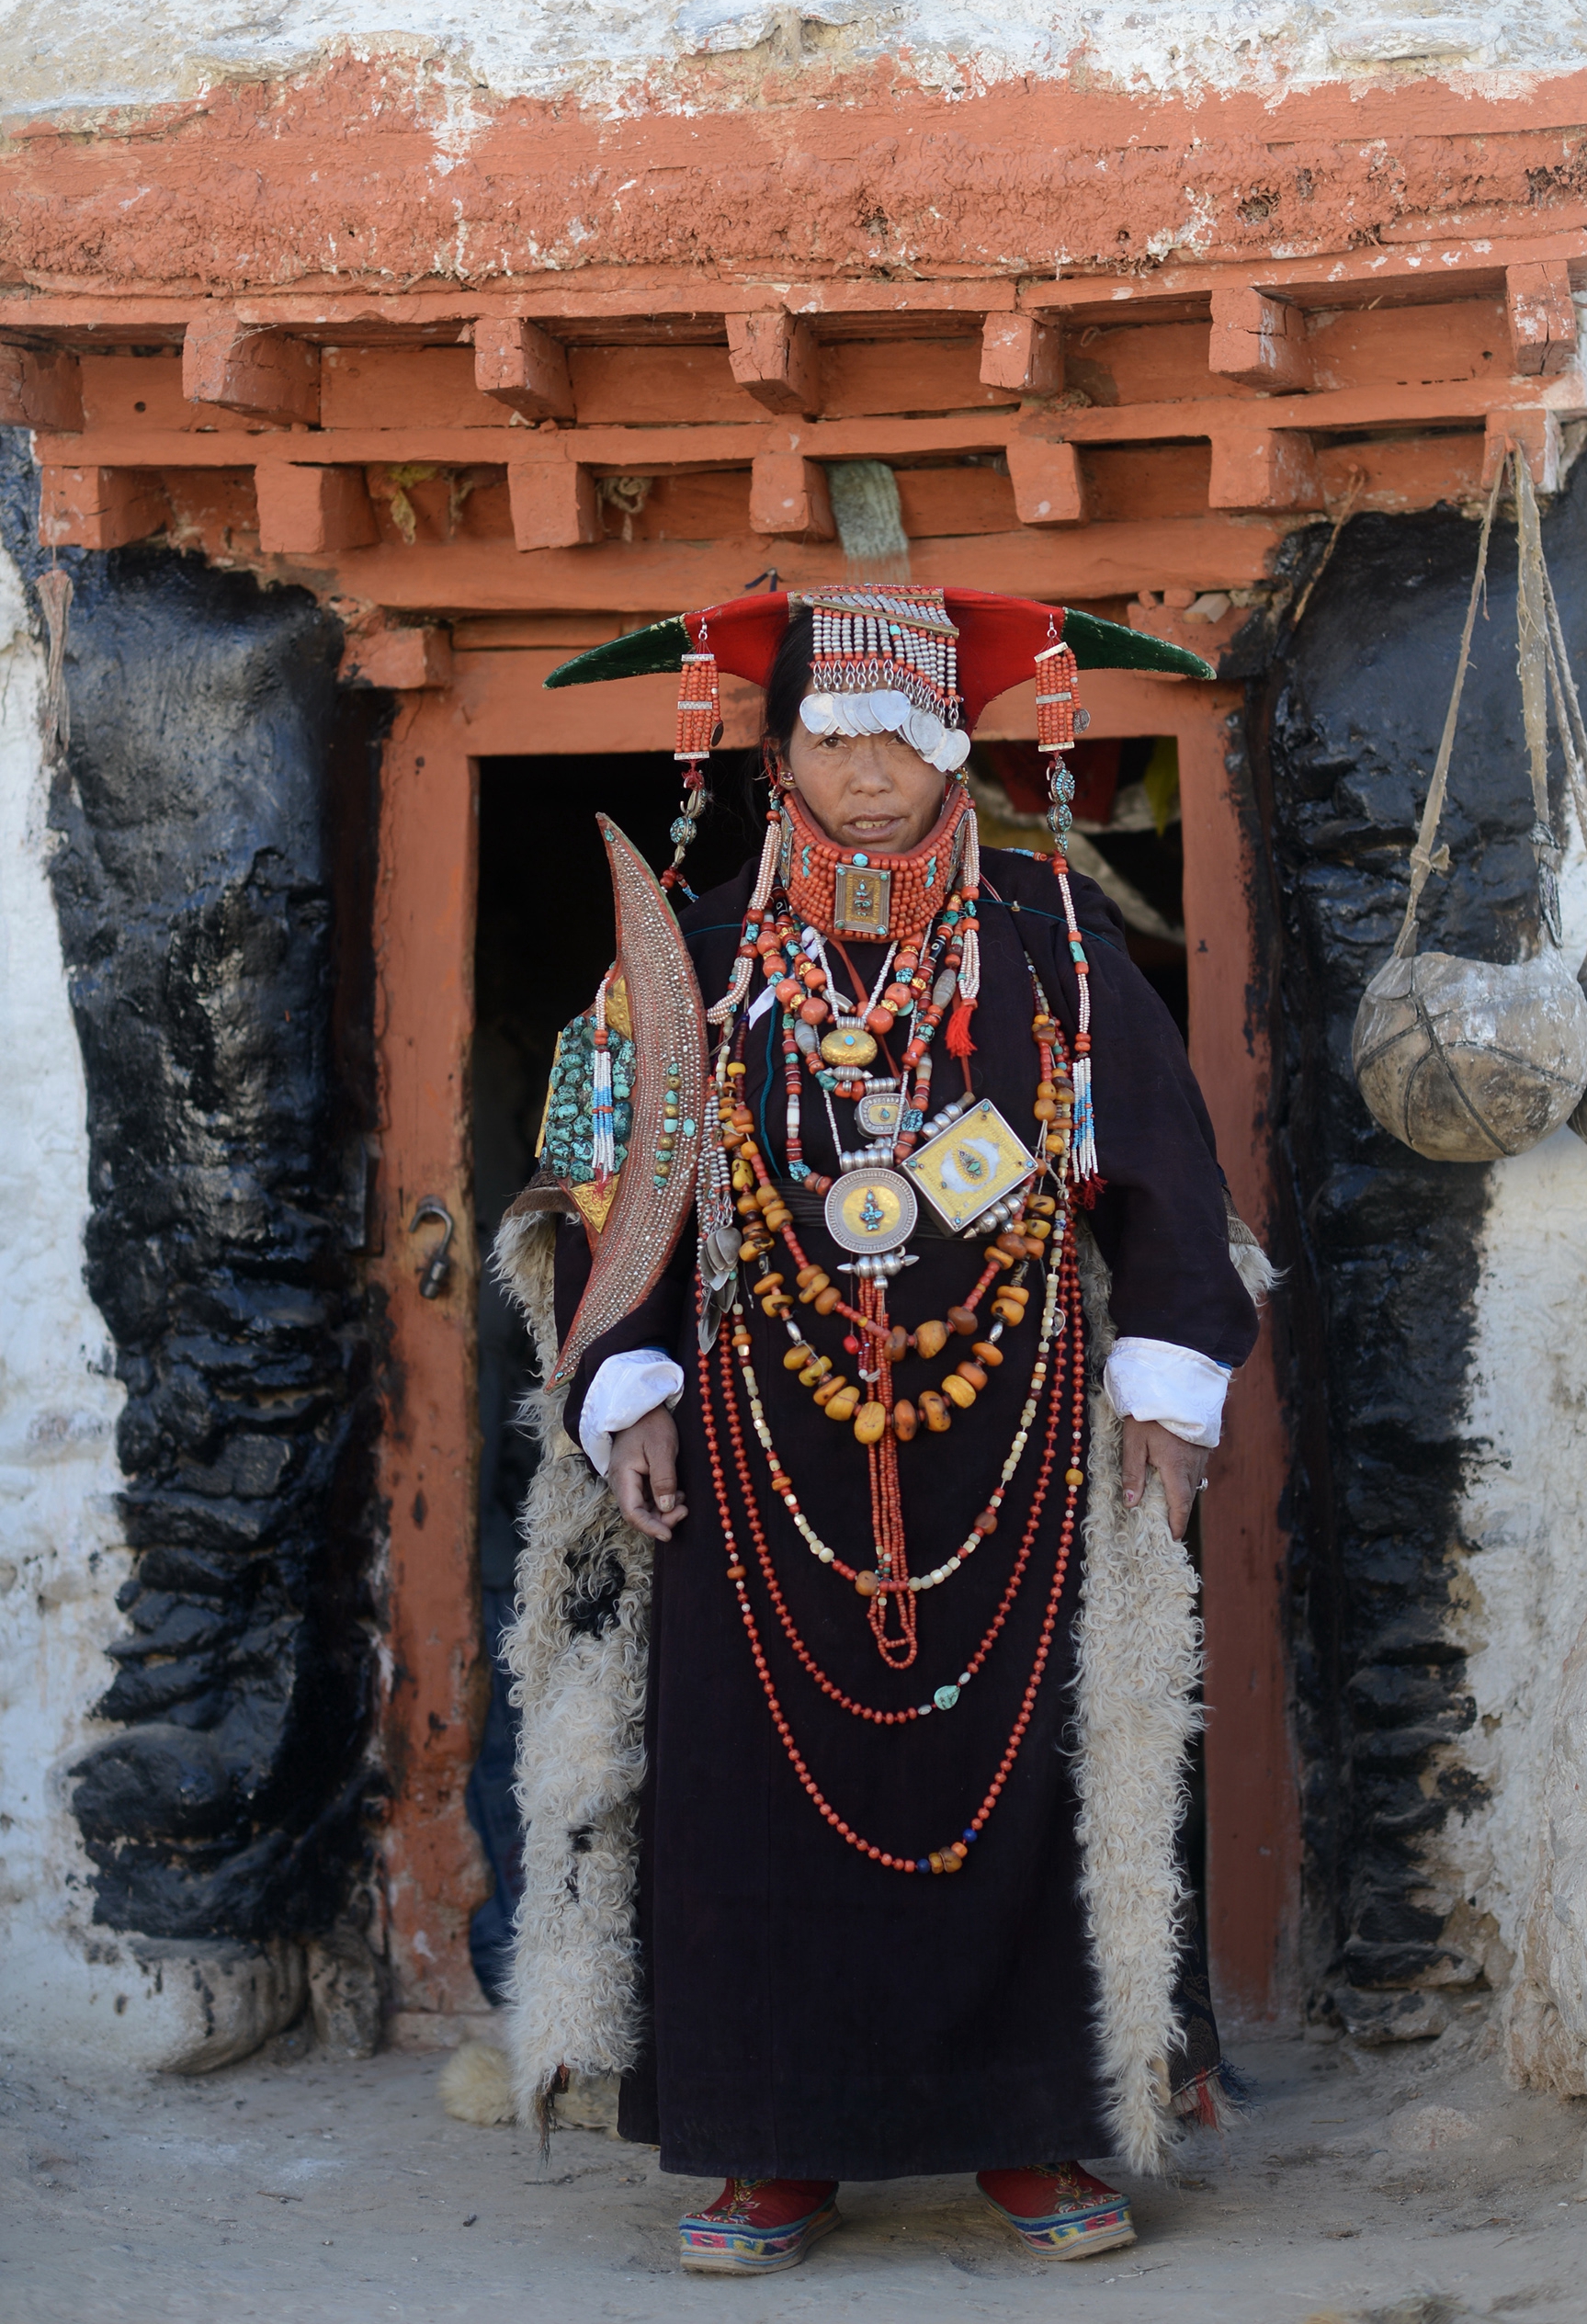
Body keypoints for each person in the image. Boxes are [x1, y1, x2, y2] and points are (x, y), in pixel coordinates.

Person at [497, 587, 1262, 2274]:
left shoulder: (1055, 942)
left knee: (1026, 1780)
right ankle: (773, 2147)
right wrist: (626, 1384)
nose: (866, 775)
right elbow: (602, 1193)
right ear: (776, 753)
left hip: (1012, 1444)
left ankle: (1029, 2128)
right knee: (747, 1798)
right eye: (832, 738)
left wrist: (1171, 1392)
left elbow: (1168, 1169)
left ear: (956, 754)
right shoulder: (687, 959)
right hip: (751, 1452)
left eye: (903, 740)